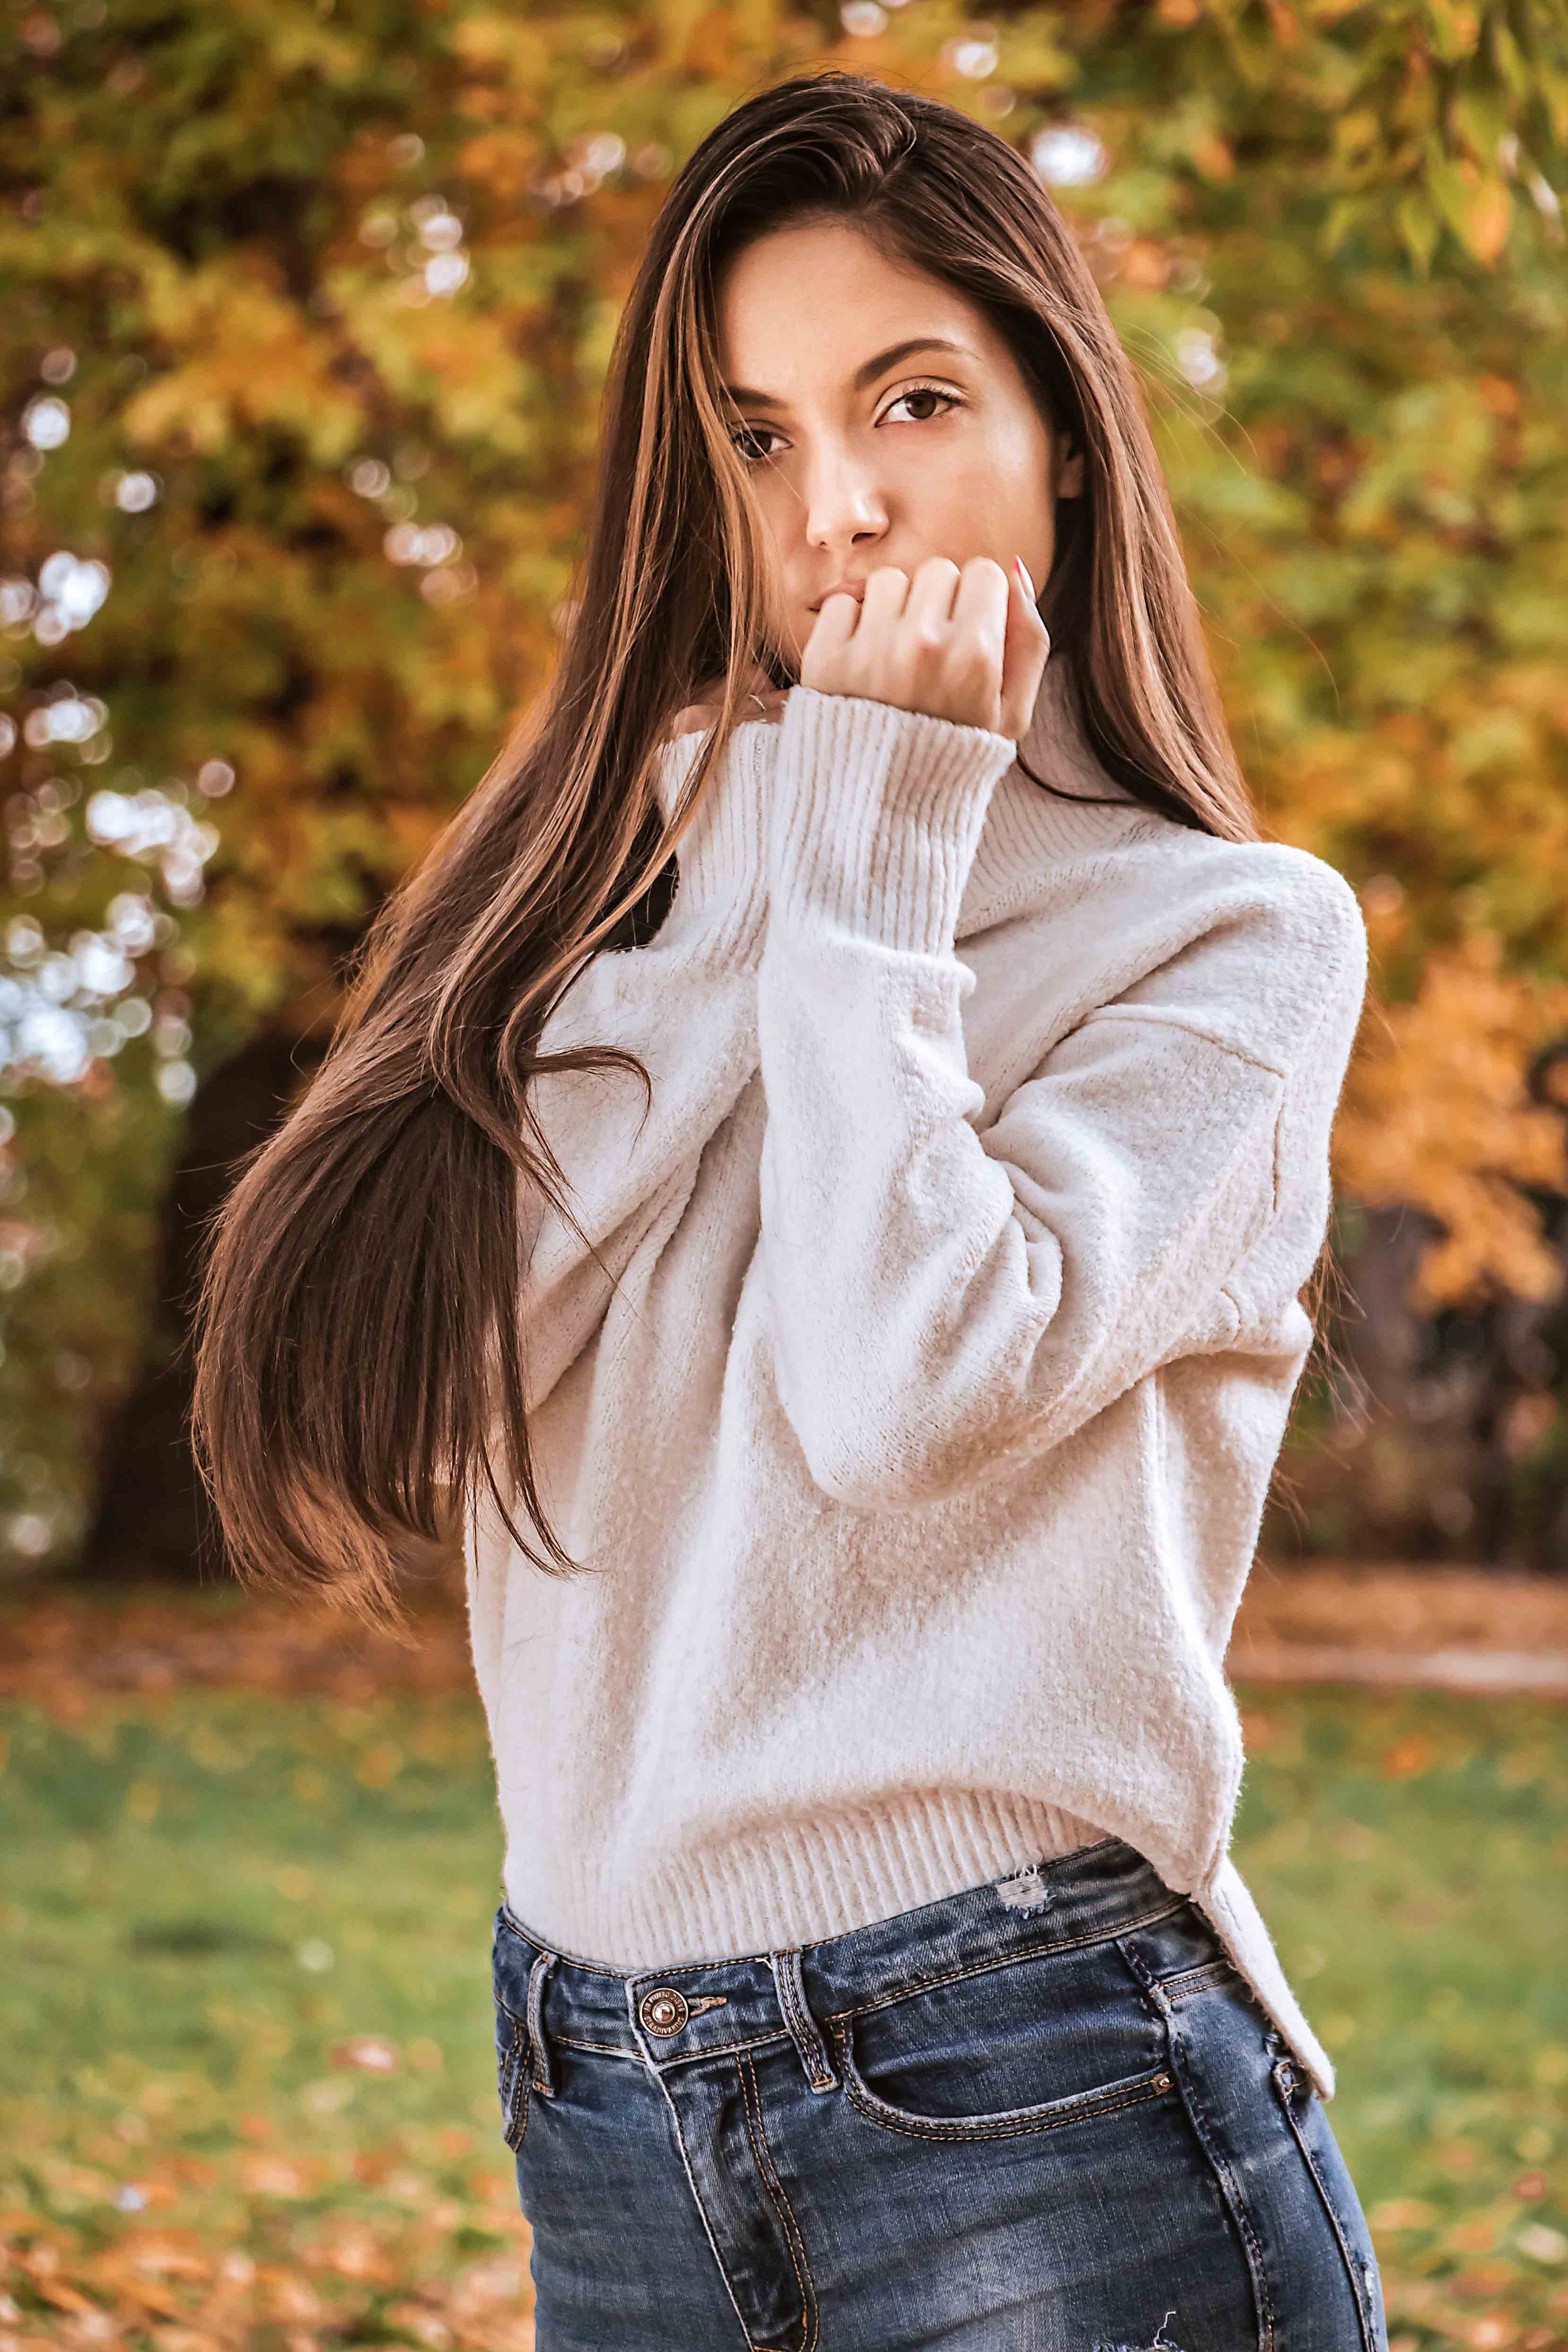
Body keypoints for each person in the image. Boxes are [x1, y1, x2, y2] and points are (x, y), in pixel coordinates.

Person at [193, 69, 1387, 2352]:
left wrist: (867, 845)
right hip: (603, 2083)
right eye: (750, 439)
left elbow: (899, 1386)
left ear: (1060, 428)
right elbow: (438, 1404)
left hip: (1035, 2077)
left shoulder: (1230, 939)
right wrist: (783, 846)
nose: (833, 505)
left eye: (911, 399)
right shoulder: (627, 894)